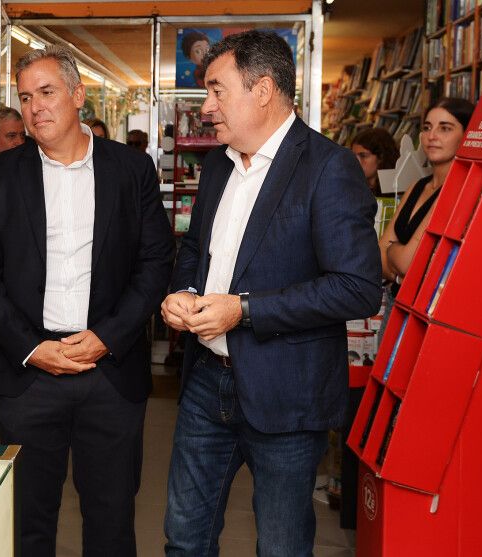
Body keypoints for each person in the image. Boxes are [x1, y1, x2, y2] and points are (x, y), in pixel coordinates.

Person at [160, 30, 382, 555]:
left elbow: (357, 289)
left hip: (287, 392)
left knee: (281, 546)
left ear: (262, 90)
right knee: (184, 538)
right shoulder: (218, 164)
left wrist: (245, 312)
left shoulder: (328, 168)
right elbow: (196, 249)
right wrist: (184, 291)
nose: (206, 107)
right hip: (204, 384)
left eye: (217, 91)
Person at [0, 45, 173, 556]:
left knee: (110, 519)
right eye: (26, 97)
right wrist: (34, 349)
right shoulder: (1, 174)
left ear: (78, 95)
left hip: (109, 369)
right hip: (30, 374)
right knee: (29, 522)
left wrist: (107, 338)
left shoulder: (131, 171)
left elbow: (155, 264)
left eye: (48, 93)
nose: (36, 107)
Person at [379, 98, 474, 287]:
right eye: (427, 127)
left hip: (431, 310)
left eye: (445, 128)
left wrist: (391, 250)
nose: (432, 136)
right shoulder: (416, 187)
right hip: (397, 303)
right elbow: (378, 258)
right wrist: (398, 273)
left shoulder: (460, 191)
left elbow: (406, 263)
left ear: (466, 136)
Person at [352, 127, 400, 196]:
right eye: (353, 156)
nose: (356, 161)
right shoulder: (351, 188)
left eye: (363, 156)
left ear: (381, 157)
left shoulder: (397, 190)